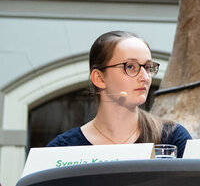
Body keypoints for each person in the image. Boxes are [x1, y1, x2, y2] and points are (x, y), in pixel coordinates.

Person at [47, 31, 192, 157]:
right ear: (99, 78)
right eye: (130, 66)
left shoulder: (172, 139)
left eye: (148, 67)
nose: (145, 77)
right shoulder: (61, 150)